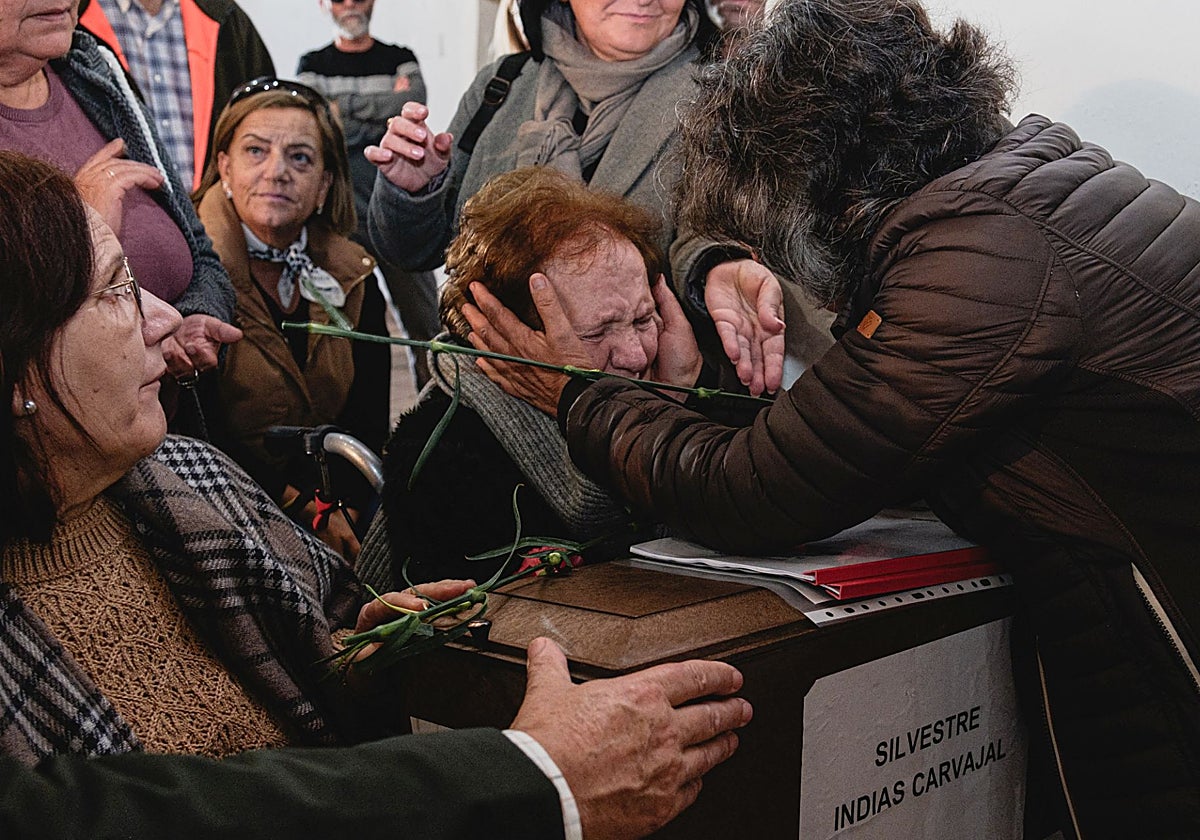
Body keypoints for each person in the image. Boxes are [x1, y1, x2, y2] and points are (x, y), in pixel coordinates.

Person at [462, 0, 1200, 836]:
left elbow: (760, 488)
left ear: (816, 180)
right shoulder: (1030, 176)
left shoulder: (978, 259)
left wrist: (581, 394)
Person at [0, 150, 752, 840]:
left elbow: (335, 686)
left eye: (644, 318)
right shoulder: (444, 447)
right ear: (17, 357)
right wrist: (530, 779)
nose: (166, 316)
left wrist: (367, 660)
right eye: (117, 291)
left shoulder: (196, 479)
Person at [365, 0, 833, 393]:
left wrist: (715, 266)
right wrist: (413, 190)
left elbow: (715, 229)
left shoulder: (732, 97)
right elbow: (417, 251)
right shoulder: (501, 87)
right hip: (482, 407)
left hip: (639, 426)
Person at [356, 166, 710, 590]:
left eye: (643, 317)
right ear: (507, 335)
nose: (636, 355)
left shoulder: (687, 394)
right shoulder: (444, 458)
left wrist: (677, 400)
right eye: (596, 331)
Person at [194, 77, 415, 560]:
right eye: (256, 151)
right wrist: (302, 508)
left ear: (325, 184)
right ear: (224, 169)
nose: (277, 172)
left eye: (300, 157)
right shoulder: (188, 272)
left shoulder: (354, 274)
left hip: (340, 511)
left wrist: (344, 508)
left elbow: (367, 420)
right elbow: (198, 431)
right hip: (222, 513)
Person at [0, 0, 240, 383]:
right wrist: (80, 229)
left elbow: (200, 252)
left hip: (167, 419)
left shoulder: (96, 73)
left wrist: (194, 317)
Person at [297, 0, 441, 384]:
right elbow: (318, 123)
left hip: (400, 213)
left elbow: (413, 105)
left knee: (428, 328)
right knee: (345, 327)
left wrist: (343, 111)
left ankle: (434, 417)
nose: (350, 4)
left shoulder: (400, 57)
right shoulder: (312, 64)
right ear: (324, 5)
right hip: (340, 215)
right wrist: (382, 120)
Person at [78, 0, 276, 191]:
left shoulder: (225, 17)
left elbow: (270, 125)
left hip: (214, 217)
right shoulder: (70, 18)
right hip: (114, 216)